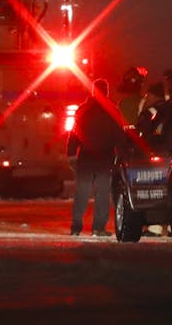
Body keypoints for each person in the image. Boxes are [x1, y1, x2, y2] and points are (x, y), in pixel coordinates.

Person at [67, 77, 125, 237]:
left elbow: (74, 134)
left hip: (85, 157)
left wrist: (71, 154)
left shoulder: (82, 110)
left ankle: (76, 227)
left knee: (82, 193)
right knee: (102, 194)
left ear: (93, 91)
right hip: (105, 158)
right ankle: (98, 228)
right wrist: (121, 155)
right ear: (106, 92)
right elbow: (119, 136)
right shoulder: (113, 111)